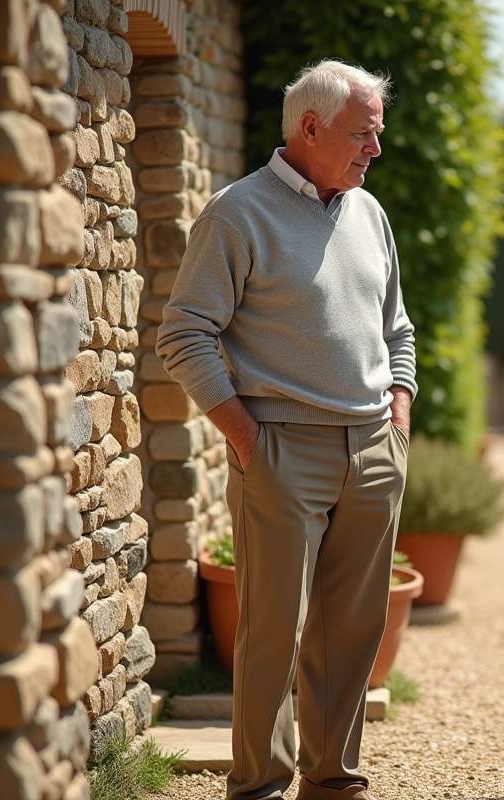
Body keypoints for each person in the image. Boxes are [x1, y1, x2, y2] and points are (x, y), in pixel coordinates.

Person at [156, 59, 416, 800]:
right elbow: (184, 335)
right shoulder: (237, 213)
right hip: (280, 451)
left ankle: (332, 783)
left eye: (378, 134)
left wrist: (397, 417)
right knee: (272, 633)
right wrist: (246, 438)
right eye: (363, 135)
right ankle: (259, 788)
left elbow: (397, 329)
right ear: (310, 128)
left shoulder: (370, 213)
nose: (375, 150)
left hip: (371, 450)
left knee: (354, 631)